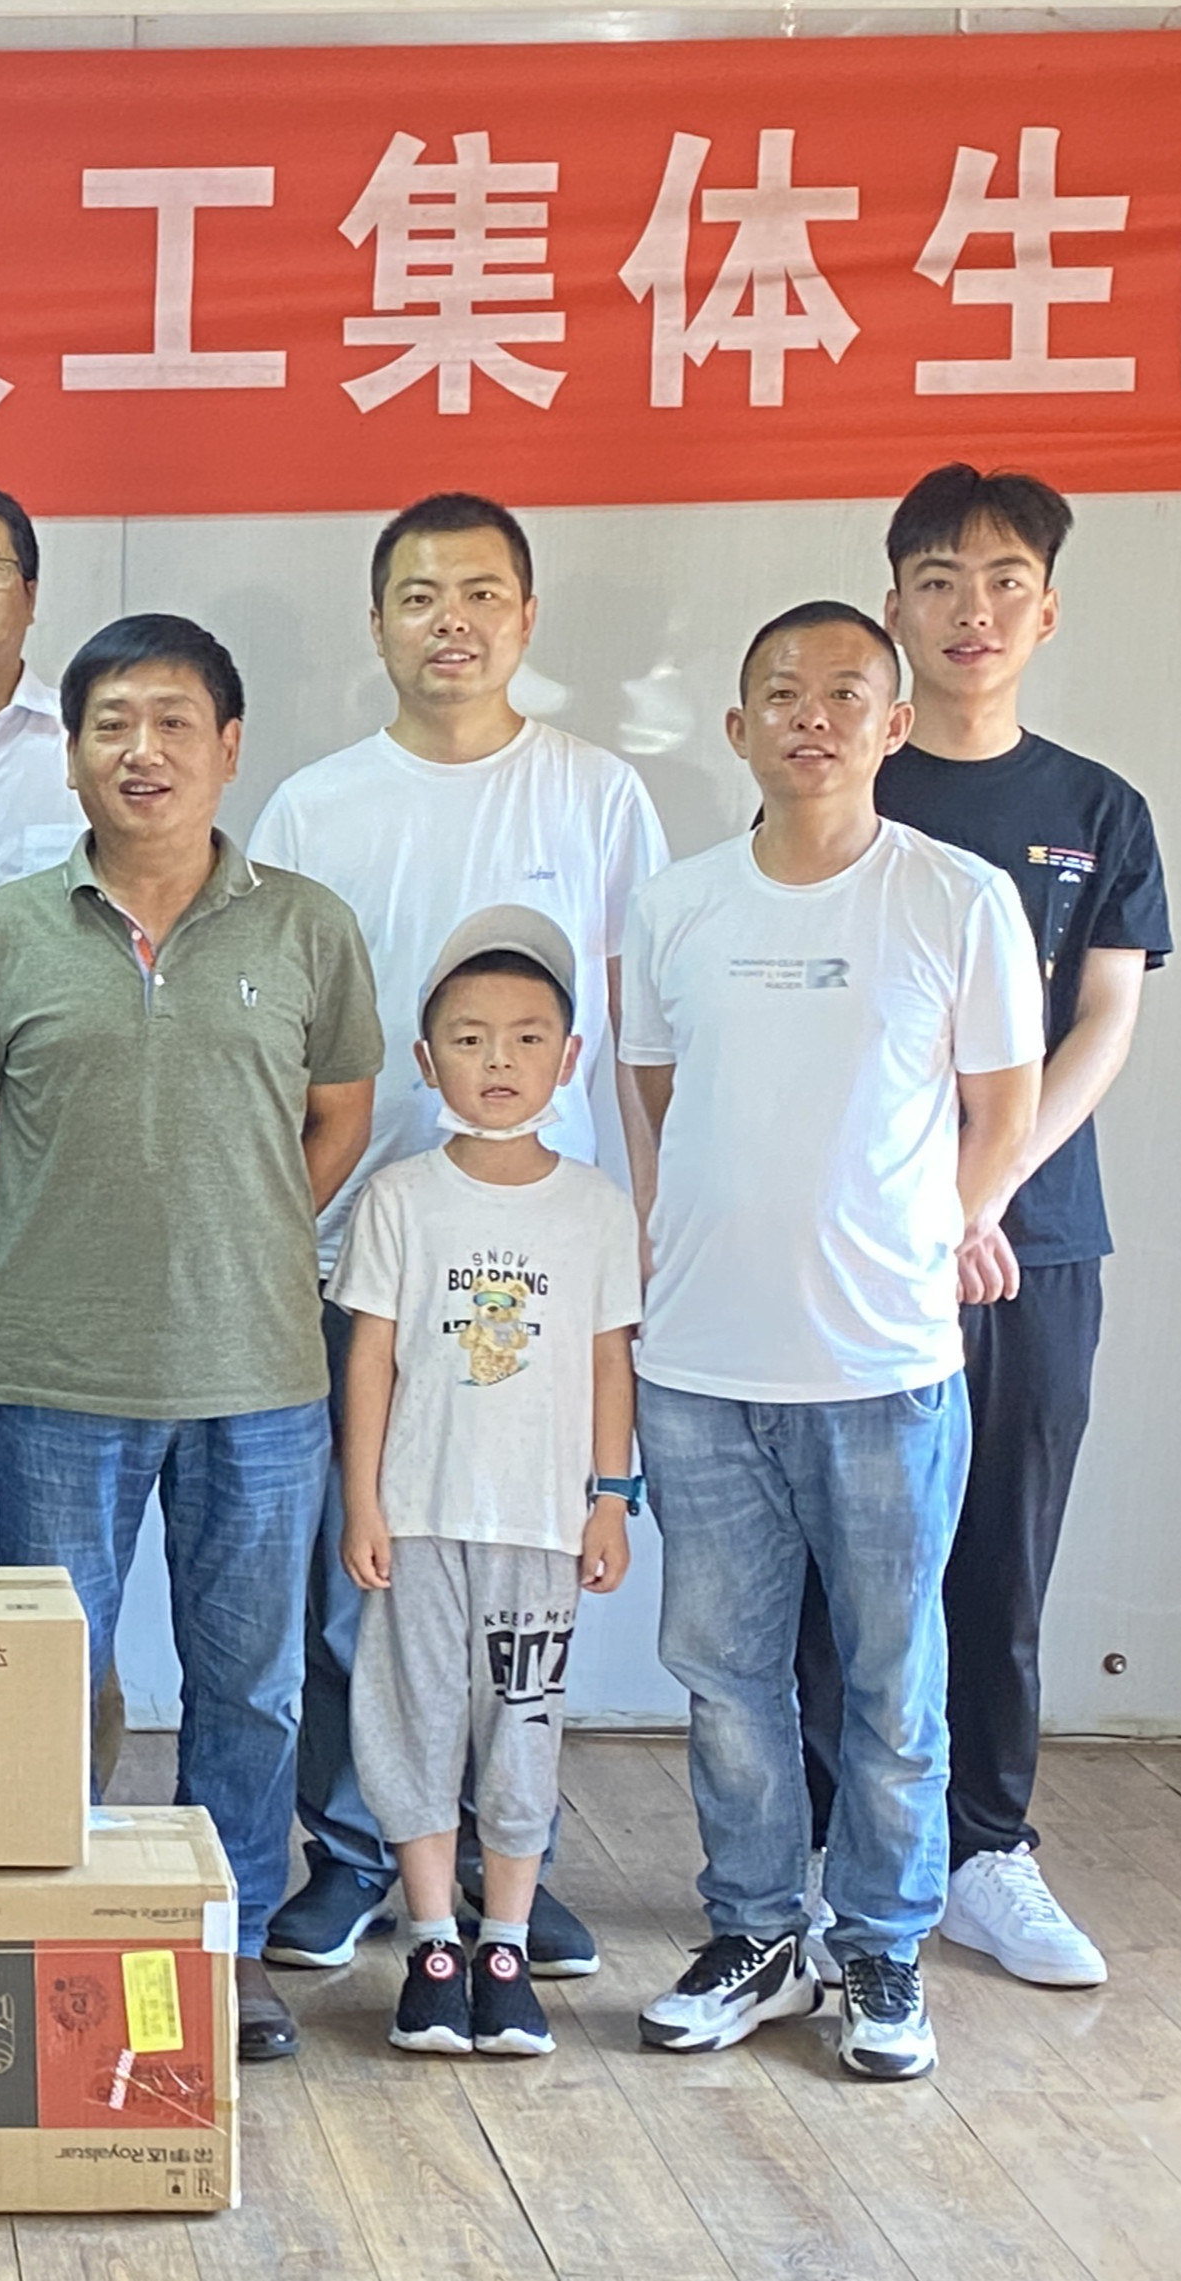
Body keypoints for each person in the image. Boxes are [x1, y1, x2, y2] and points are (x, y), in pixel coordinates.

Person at [0, 612, 383, 2066]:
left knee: (246, 1682)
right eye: (110, 723)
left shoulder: (305, 925)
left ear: (227, 747)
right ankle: (61, 1932)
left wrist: (240, 1233)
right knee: (56, 1683)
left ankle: (223, 1945)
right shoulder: (4, 931)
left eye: (174, 721)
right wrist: (69, 1241)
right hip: (55, 1374)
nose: (143, 750)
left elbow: (338, 1116)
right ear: (69, 756)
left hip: (259, 1376)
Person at [248, 491, 668, 1980]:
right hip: (357, 1243)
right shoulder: (314, 805)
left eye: (482, 593)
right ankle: (354, 1856)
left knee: (519, 1585)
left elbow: (635, 1029)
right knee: (358, 1574)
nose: (452, 622)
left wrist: (645, 1216)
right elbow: (277, 1032)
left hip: (544, 1261)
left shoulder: (596, 795)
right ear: (376, 623)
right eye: (420, 595)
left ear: (526, 618)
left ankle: (505, 1873)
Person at [621, 601, 1040, 2085]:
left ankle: (878, 1943)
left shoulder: (957, 898)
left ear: (892, 725)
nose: (812, 716)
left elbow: (1003, 1107)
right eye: (781, 694)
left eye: (845, 693)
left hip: (883, 1367)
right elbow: (654, 1097)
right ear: (735, 728)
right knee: (724, 1679)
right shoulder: (673, 905)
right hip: (699, 1368)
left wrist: (943, 1229)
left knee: (889, 1682)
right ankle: (753, 1931)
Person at [789, 465, 1169, 1993]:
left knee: (999, 1552)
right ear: (892, 603)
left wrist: (982, 1195)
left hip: (1033, 1239)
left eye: (1005, 580)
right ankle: (829, 1852)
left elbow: (1102, 1025)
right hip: (850, 1242)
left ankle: (983, 1851)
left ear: (1046, 611)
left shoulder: (1095, 811)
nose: (972, 609)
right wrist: (914, 1209)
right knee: (840, 1559)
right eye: (939, 579)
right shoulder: (835, 791)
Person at [332, 907, 642, 2061]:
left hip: (540, 1524)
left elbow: (608, 1360)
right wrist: (362, 1499)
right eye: (466, 1038)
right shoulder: (399, 1198)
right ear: (425, 1060)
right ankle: (430, 1943)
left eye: (525, 1037)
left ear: (569, 1057)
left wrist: (609, 1496)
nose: (496, 1061)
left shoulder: (593, 1206)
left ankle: (502, 1944)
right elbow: (370, 1356)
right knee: (409, 1719)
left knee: (521, 1725)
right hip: (417, 1515)